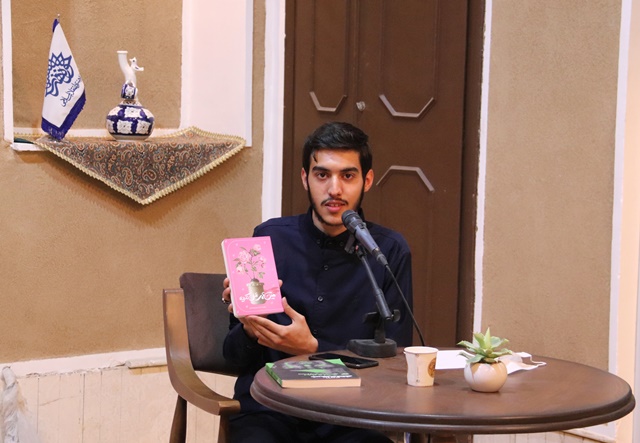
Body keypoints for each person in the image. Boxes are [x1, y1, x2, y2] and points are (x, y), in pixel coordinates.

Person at [222, 121, 413, 443]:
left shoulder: (388, 251)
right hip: (270, 409)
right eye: (322, 175)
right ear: (305, 179)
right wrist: (250, 328)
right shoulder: (269, 238)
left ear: (367, 180)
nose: (334, 190)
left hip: (350, 416)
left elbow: (396, 364)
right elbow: (234, 356)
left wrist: (314, 351)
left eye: (347, 176)